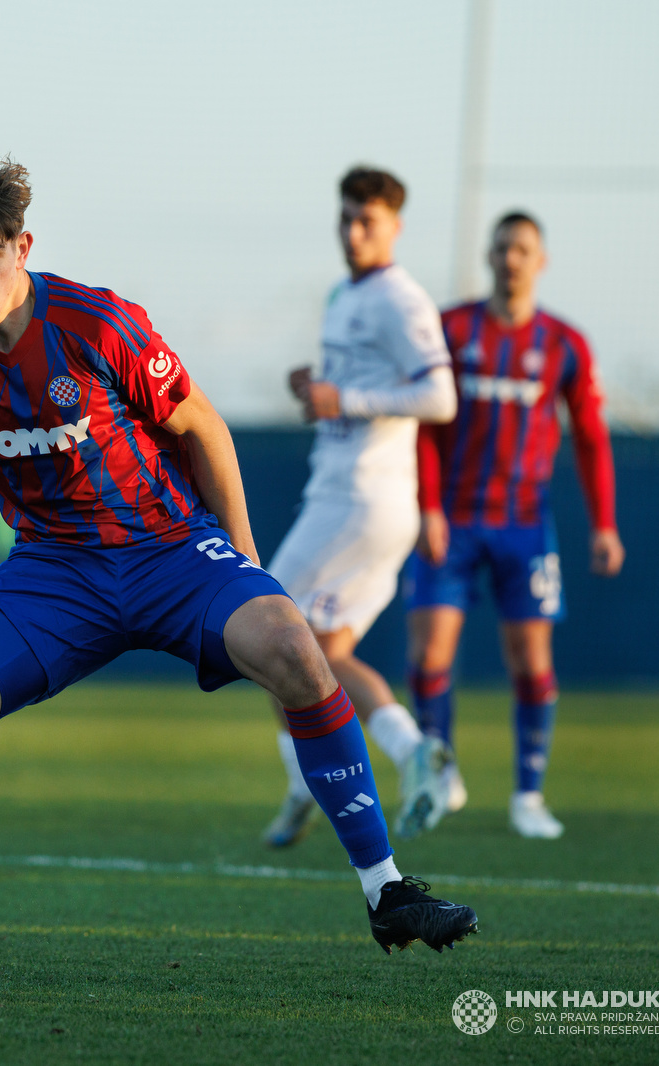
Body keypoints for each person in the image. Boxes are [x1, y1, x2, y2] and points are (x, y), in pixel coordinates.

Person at [0, 149, 477, 990]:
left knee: (297, 648)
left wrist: (248, 566)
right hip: (53, 575)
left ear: (23, 245)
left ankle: (388, 892)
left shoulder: (98, 324)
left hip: (170, 551)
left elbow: (202, 427)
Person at [406, 211, 623, 839]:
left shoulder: (565, 344)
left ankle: (528, 796)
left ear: (541, 260)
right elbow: (423, 424)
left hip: (525, 525)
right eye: (502, 247)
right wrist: (427, 507)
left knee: (531, 662)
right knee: (429, 653)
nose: (511, 259)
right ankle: (442, 775)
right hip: (452, 519)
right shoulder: (452, 330)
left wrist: (604, 524)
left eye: (523, 249)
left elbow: (589, 436)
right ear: (489, 256)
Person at [262, 167, 460, 848]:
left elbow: (440, 399)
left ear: (395, 226)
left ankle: (302, 780)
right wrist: (320, 386)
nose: (352, 232)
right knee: (325, 652)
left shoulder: (402, 300)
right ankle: (416, 754)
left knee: (261, 632)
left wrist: (343, 400)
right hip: (361, 501)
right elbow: (355, 387)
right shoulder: (345, 294)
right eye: (345, 218)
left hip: (357, 501)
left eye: (367, 220)